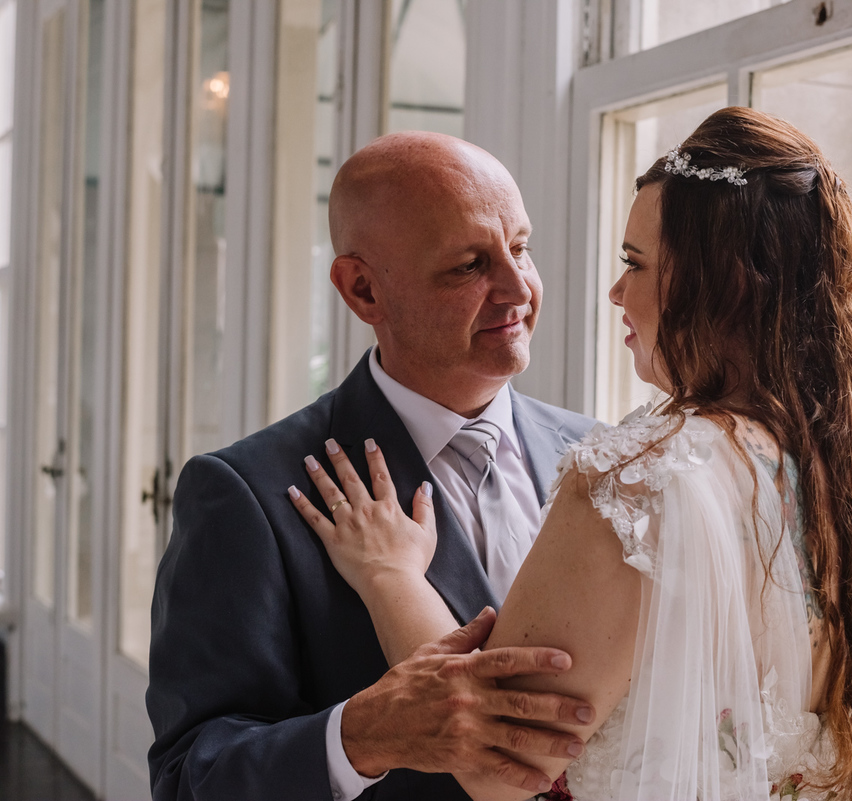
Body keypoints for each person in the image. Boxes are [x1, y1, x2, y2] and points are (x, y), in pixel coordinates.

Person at [292, 106, 852, 801]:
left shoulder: (635, 481)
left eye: (634, 264)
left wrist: (390, 576)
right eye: (469, 264)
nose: (615, 292)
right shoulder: (842, 470)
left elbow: (494, 762)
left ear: (724, 286)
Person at [146, 132, 601, 800]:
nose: (518, 288)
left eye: (521, 247)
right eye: (469, 265)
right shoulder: (248, 494)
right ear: (363, 290)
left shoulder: (604, 456)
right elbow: (190, 778)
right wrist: (361, 737)